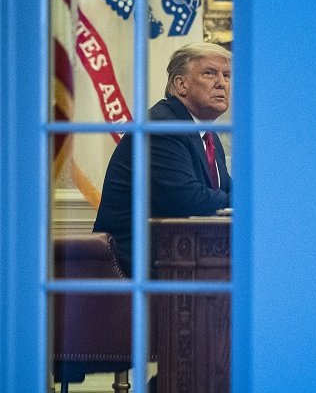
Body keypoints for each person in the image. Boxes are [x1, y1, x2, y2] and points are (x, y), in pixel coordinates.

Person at [94, 42, 232, 275]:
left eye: (226, 75)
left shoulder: (207, 135)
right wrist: (246, 204)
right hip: (137, 269)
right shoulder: (161, 126)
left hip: (178, 258)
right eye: (210, 73)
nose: (222, 83)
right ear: (181, 85)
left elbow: (226, 190)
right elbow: (190, 201)